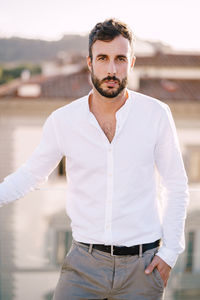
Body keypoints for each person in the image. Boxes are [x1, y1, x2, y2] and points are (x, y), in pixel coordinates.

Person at [0, 19, 189, 300]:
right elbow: (31, 174)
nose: (111, 70)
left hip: (144, 268)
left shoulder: (156, 115)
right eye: (103, 58)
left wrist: (170, 252)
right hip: (83, 265)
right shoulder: (63, 121)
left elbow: (175, 185)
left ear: (132, 63)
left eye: (120, 59)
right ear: (90, 62)